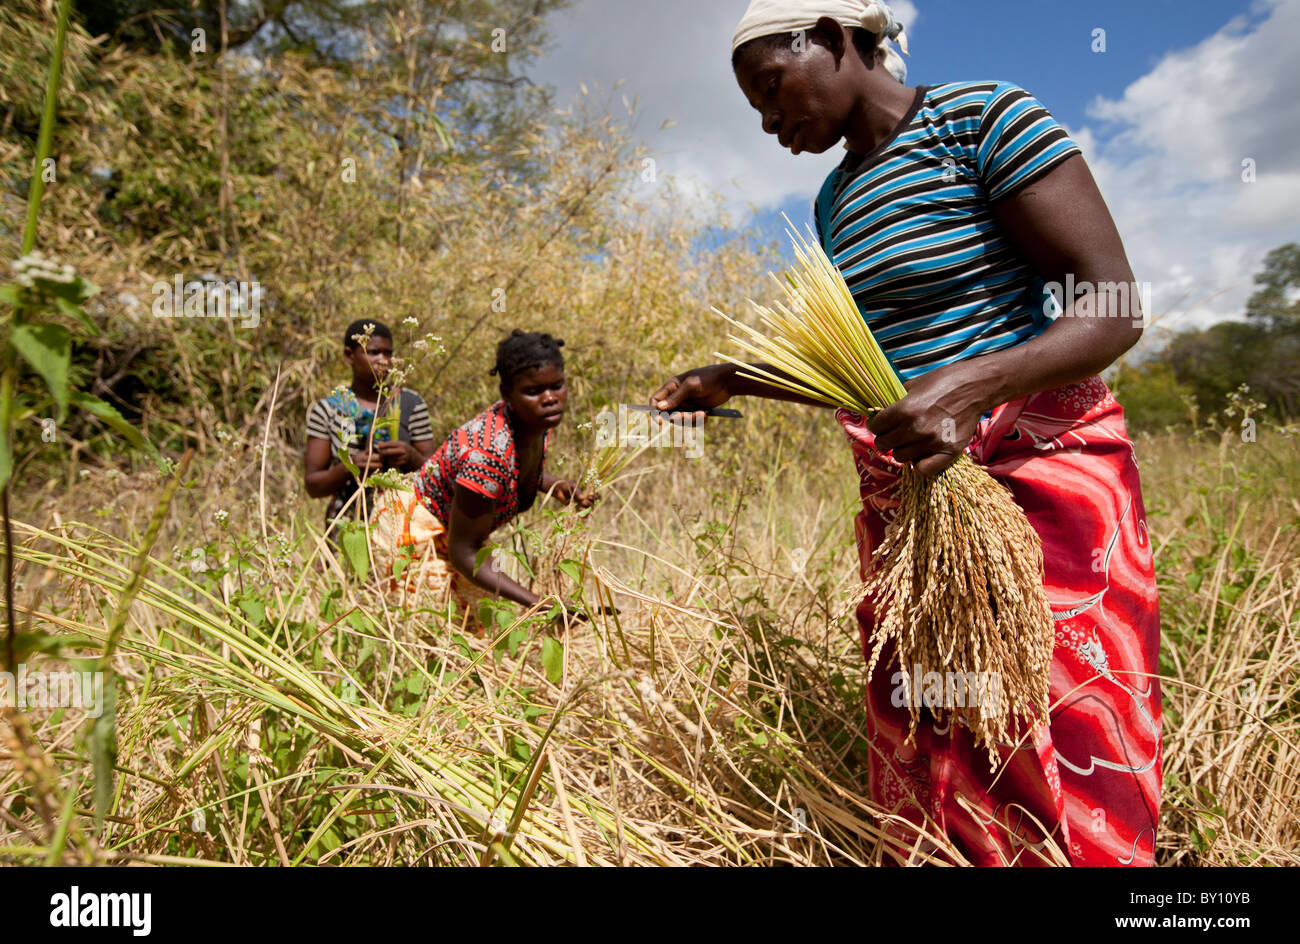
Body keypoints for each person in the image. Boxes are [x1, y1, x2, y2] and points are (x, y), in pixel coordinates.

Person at [651, 0, 1161, 866]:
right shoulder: (837, 200)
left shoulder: (982, 118)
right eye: (755, 110)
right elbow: (875, 374)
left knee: (1061, 699)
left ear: (841, 38)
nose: (771, 121)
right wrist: (732, 379)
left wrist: (974, 385)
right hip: (919, 498)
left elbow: (1112, 304)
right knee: (945, 708)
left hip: (1044, 469)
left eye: (774, 88)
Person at [372, 330, 597, 617]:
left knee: (479, 630)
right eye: (533, 391)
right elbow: (465, 553)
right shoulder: (487, 455)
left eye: (557, 385)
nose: (550, 398)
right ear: (507, 393)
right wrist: (541, 604)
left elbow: (513, 471)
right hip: (413, 532)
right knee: (434, 632)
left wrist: (553, 484)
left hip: (454, 532)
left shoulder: (535, 423)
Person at [304, 319, 436, 535]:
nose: (383, 360)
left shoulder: (411, 404)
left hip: (404, 521)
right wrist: (352, 466)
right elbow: (313, 485)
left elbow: (434, 474)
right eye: (373, 352)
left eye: (388, 353)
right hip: (347, 522)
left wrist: (410, 457)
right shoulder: (328, 409)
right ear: (349, 355)